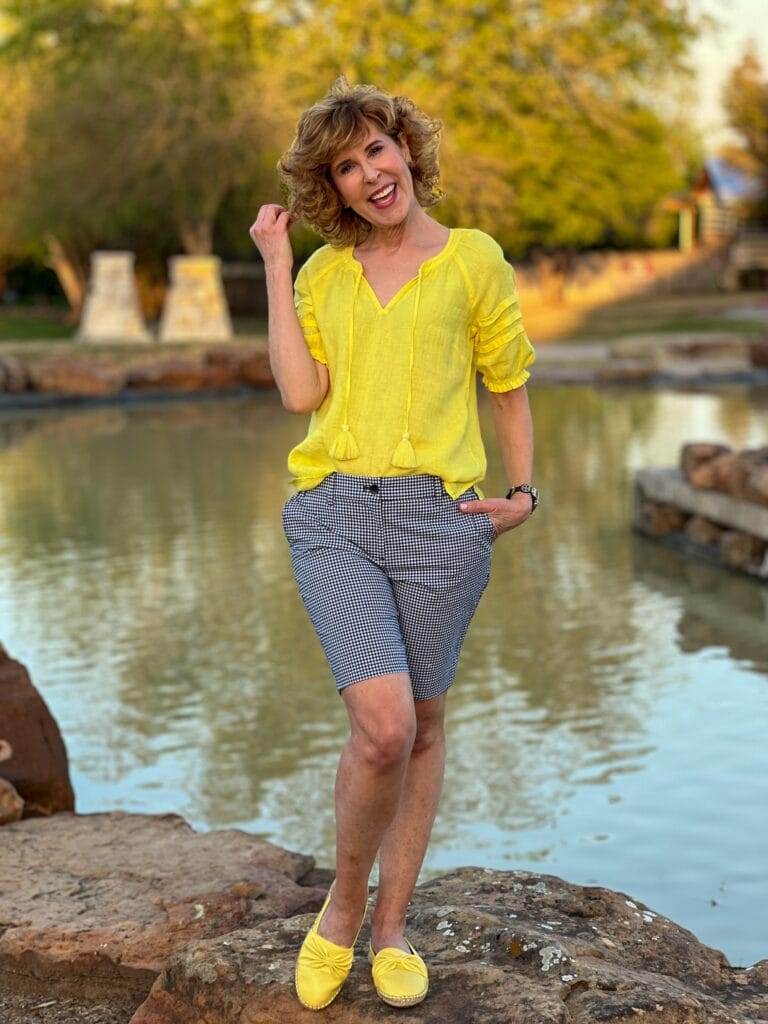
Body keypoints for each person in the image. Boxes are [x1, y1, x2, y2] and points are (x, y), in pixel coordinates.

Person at [249, 75, 537, 1012]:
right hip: (335, 512)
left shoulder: (474, 260)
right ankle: (340, 910)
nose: (371, 172)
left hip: (442, 524)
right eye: (346, 164)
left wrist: (523, 491)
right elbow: (300, 395)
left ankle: (392, 927)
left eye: (378, 148)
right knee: (383, 727)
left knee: (426, 725)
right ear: (329, 188)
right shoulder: (324, 274)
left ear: (407, 149)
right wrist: (271, 258)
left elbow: (508, 382)